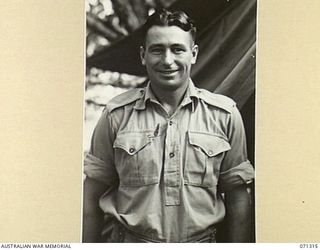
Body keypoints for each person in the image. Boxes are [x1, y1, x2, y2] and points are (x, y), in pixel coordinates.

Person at [82, 9, 254, 243]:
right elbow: (90, 198)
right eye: (157, 49)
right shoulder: (116, 115)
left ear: (193, 54)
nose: (167, 60)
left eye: (177, 49)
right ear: (143, 55)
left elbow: (238, 198)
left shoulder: (224, 115)